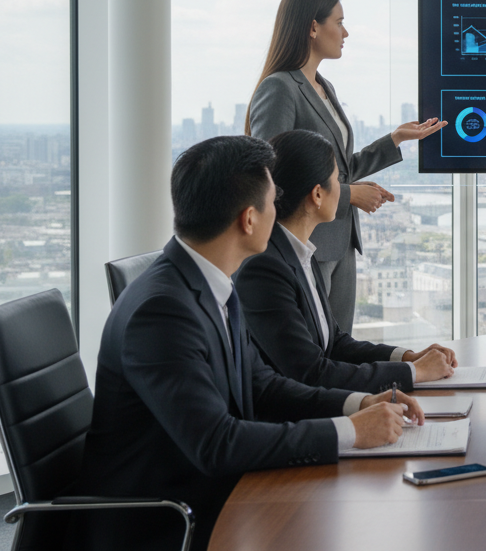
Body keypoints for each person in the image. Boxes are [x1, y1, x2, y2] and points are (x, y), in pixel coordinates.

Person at [73, 136, 424, 551]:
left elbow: (262, 384)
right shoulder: (162, 312)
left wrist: (357, 404)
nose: (279, 211)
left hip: (215, 494)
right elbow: (217, 444)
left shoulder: (209, 281)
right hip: (164, 521)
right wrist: (349, 431)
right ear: (249, 219)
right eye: (273, 201)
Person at [246, 0, 447, 333]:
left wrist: (395, 139)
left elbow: (335, 168)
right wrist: (351, 194)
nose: (346, 32)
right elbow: (273, 176)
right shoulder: (280, 88)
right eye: (339, 22)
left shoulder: (323, 87)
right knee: (313, 350)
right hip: (305, 244)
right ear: (312, 27)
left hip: (340, 242)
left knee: (340, 346)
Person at [236, 129, 458, 393]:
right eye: (337, 179)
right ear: (317, 195)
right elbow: (311, 372)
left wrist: (409, 357)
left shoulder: (300, 253)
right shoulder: (265, 268)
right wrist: (414, 373)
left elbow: (336, 344)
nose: (344, 190)